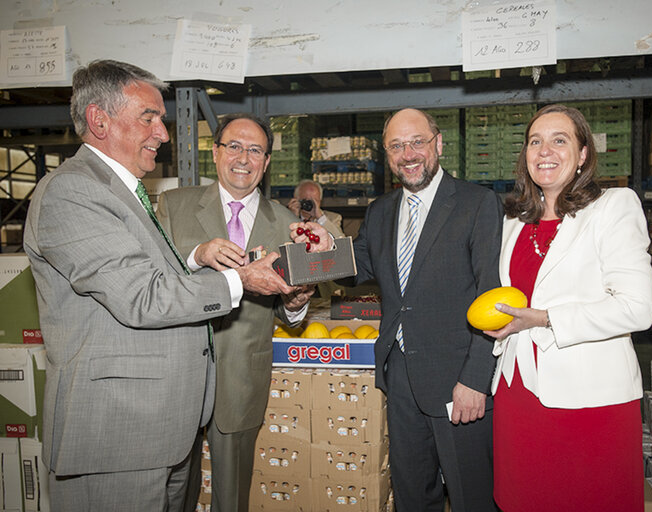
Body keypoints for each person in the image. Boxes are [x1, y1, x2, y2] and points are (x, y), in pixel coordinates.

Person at [22, 60, 310, 511]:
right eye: (149, 117)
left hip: (171, 415)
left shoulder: (124, 194)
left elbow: (151, 279)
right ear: (100, 120)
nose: (163, 133)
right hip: (120, 428)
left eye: (162, 118)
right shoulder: (74, 192)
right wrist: (239, 278)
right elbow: (144, 295)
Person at [485, 104, 652, 511]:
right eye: (535, 142)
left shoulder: (613, 207)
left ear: (582, 154)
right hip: (517, 395)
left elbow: (638, 308)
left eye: (560, 140)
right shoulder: (514, 222)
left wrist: (546, 319)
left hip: (588, 401)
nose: (545, 151)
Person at [333, 108, 502, 511]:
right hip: (402, 375)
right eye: (396, 146)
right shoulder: (380, 211)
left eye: (417, 142)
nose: (408, 154)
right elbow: (355, 269)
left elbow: (492, 294)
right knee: (412, 493)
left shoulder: (478, 204)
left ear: (438, 144)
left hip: (459, 381)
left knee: (470, 496)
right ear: (386, 154)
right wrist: (322, 247)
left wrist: (477, 379)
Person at [156, 112, 315, 512]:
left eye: (255, 150)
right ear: (216, 152)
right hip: (178, 376)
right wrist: (197, 255)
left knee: (232, 496)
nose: (243, 158)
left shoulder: (288, 225)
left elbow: (288, 311)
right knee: (171, 493)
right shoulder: (174, 206)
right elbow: (152, 281)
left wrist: (297, 304)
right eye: (235, 146)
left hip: (242, 377)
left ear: (266, 162)